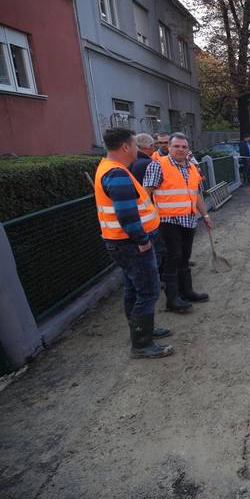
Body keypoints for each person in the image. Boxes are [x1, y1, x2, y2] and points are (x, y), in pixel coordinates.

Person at [94, 128, 173, 359]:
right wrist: (142, 240)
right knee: (148, 291)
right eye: (135, 145)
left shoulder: (109, 169)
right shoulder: (117, 174)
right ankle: (141, 344)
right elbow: (127, 215)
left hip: (120, 242)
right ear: (126, 147)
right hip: (130, 244)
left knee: (133, 288)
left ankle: (141, 331)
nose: (138, 150)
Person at [143, 132, 212, 312]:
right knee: (173, 256)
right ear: (169, 147)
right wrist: (150, 218)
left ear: (188, 149)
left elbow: (196, 194)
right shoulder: (158, 165)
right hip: (167, 220)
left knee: (185, 256)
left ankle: (187, 291)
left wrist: (205, 215)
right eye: (176, 146)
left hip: (188, 219)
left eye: (184, 147)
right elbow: (146, 193)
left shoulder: (191, 168)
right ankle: (172, 300)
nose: (180, 149)